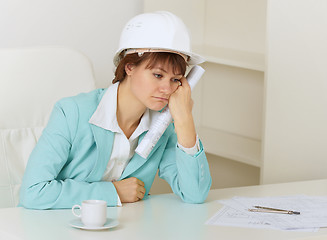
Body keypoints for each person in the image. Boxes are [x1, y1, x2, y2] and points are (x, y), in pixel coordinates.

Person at [19, 11, 211, 209]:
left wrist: (184, 119)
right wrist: (114, 192)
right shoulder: (71, 113)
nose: (167, 89)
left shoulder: (163, 127)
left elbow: (194, 194)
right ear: (129, 67)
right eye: (157, 75)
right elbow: (32, 192)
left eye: (175, 80)